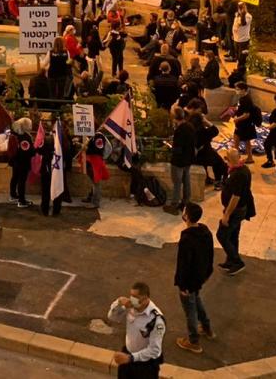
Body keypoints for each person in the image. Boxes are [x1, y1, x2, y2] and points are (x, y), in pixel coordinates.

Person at [174, 202, 215, 354]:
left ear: (187, 217)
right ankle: (207, 328)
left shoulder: (186, 238)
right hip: (200, 278)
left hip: (189, 282)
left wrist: (182, 286)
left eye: (184, 211)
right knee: (197, 300)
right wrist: (207, 274)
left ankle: (194, 342)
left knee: (190, 310)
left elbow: (183, 265)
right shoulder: (205, 232)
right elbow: (210, 254)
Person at [107, 281, 166, 378]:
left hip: (145, 364)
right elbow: (112, 317)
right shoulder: (130, 307)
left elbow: (154, 350)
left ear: (146, 298)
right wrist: (118, 304)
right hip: (128, 355)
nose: (132, 299)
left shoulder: (156, 320)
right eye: (131, 295)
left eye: (136, 297)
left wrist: (130, 358)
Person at [216, 148, 255, 275]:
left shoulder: (239, 174)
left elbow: (235, 197)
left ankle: (237, 262)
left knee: (221, 235)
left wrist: (227, 214)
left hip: (235, 210)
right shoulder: (239, 169)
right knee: (233, 235)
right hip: (237, 209)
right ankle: (230, 260)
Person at [163, 107, 195, 214]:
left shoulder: (179, 130)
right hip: (188, 159)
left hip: (179, 161)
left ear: (175, 117)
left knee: (177, 183)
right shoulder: (190, 126)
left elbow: (178, 149)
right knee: (186, 181)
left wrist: (170, 146)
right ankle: (186, 202)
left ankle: (174, 206)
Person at [8, 117, 35, 208]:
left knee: (15, 178)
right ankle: (21, 200)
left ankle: (13, 195)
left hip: (15, 161)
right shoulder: (25, 137)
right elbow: (27, 151)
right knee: (21, 181)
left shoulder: (15, 134)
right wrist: (35, 150)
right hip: (22, 162)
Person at [231, 83, 260, 162]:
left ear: (243, 90)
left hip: (245, 124)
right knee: (238, 139)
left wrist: (237, 119)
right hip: (242, 124)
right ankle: (236, 157)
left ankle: (244, 158)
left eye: (238, 89)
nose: (236, 91)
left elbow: (247, 114)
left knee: (244, 140)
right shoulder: (243, 98)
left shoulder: (246, 99)